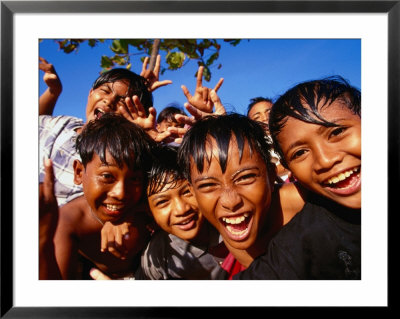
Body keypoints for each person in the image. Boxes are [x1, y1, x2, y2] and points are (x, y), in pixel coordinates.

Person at [234, 76, 361, 279]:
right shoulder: (302, 239)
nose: (325, 160)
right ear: (288, 167)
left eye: (337, 132)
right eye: (300, 153)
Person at [177, 113, 305, 278]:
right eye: (208, 185)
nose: (230, 202)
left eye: (245, 178)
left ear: (271, 175)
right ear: (192, 192)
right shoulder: (204, 221)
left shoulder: (299, 201)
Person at [39, 61, 168, 207]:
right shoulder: (64, 124)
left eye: (122, 100)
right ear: (90, 93)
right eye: (105, 91)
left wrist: (149, 143)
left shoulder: (126, 159)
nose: (109, 101)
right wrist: (53, 91)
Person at [46, 113, 156, 279]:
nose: (120, 193)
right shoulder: (69, 221)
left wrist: (130, 216)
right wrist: (41, 245)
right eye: (107, 176)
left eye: (134, 179)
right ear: (78, 172)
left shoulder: (148, 200)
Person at [247, 96, 292, 183]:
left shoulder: (295, 134)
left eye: (269, 112)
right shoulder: (252, 147)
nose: (265, 118)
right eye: (257, 117)